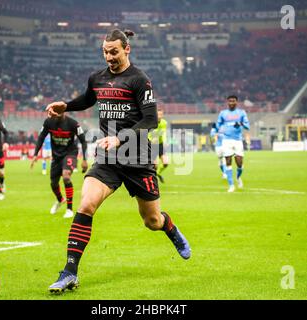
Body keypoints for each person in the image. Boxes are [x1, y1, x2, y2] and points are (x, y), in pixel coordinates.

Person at [45, 29, 191, 294]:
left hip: (138, 157)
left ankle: (170, 227)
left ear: (127, 49)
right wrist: (65, 106)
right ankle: (69, 272)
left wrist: (120, 138)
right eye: (105, 51)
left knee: (152, 221)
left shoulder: (139, 80)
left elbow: (151, 120)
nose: (109, 57)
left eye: (114, 51)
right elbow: (88, 99)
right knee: (86, 205)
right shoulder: (97, 78)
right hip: (108, 158)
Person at [31, 112, 88, 218]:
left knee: (66, 176)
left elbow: (83, 141)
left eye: (59, 111)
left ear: (64, 111)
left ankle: (69, 209)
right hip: (56, 156)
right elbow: (41, 137)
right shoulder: (48, 122)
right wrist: (35, 154)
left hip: (70, 154)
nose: (56, 113)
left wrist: (84, 159)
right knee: (53, 184)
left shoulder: (73, 123)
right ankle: (60, 200)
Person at [216, 95, 250, 192]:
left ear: (236, 102)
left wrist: (240, 123)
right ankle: (231, 185)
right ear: (227, 102)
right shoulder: (223, 113)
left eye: (233, 101)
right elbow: (218, 124)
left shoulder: (241, 113)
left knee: (239, 162)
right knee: (228, 161)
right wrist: (216, 130)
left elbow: (248, 127)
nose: (231, 103)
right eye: (230, 101)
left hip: (238, 140)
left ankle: (238, 177)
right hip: (226, 140)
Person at [148, 108, 169, 183]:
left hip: (160, 144)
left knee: (166, 163)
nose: (159, 116)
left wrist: (165, 142)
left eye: (161, 114)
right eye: (158, 114)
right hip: (152, 145)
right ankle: (152, 179)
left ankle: (158, 174)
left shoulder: (164, 123)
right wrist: (151, 139)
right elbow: (149, 133)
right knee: (155, 165)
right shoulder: (151, 122)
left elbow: (163, 134)